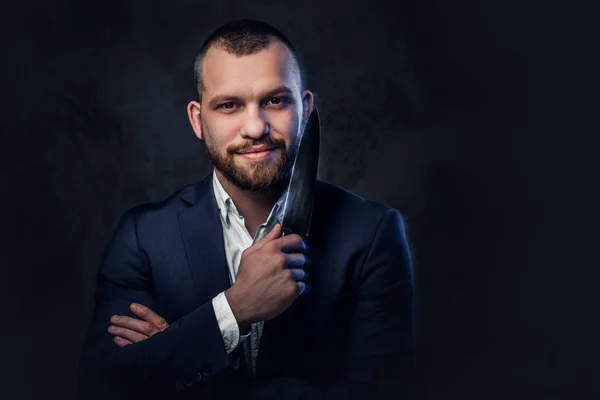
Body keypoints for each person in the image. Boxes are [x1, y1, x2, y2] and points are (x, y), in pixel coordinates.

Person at [78, 19, 414, 400]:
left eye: (275, 100)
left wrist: (175, 352)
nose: (255, 127)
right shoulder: (143, 236)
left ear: (304, 108)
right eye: (229, 105)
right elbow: (102, 387)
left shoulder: (372, 232)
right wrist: (234, 309)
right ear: (197, 119)